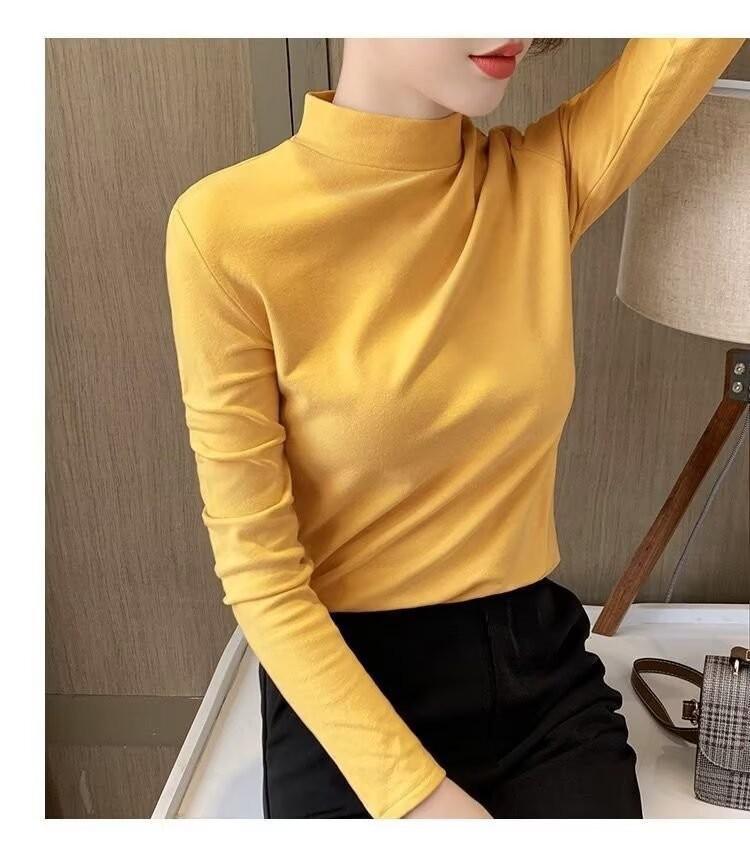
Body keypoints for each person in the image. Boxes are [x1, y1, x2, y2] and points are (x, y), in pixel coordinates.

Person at [164, 37, 745, 819]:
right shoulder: (225, 227)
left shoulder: (542, 181)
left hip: (536, 679)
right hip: (346, 696)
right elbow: (258, 570)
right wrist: (417, 798)